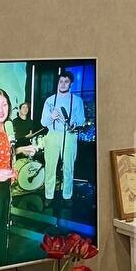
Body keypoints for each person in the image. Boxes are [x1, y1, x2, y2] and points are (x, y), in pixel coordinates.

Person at [0, 87, 36, 268]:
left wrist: (21, 149)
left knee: (2, 235)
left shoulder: (6, 127)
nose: (0, 110)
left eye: (4, 104)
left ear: (9, 106)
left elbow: (3, 153)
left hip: (3, 188)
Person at [39, 71, 86, 204]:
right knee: (50, 167)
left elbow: (82, 119)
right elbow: (43, 122)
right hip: (52, 135)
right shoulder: (50, 101)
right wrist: (51, 117)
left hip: (70, 136)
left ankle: (67, 196)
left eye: (66, 82)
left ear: (71, 84)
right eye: (61, 81)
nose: (63, 84)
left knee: (68, 168)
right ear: (58, 83)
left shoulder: (77, 100)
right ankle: (49, 196)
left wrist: (74, 124)